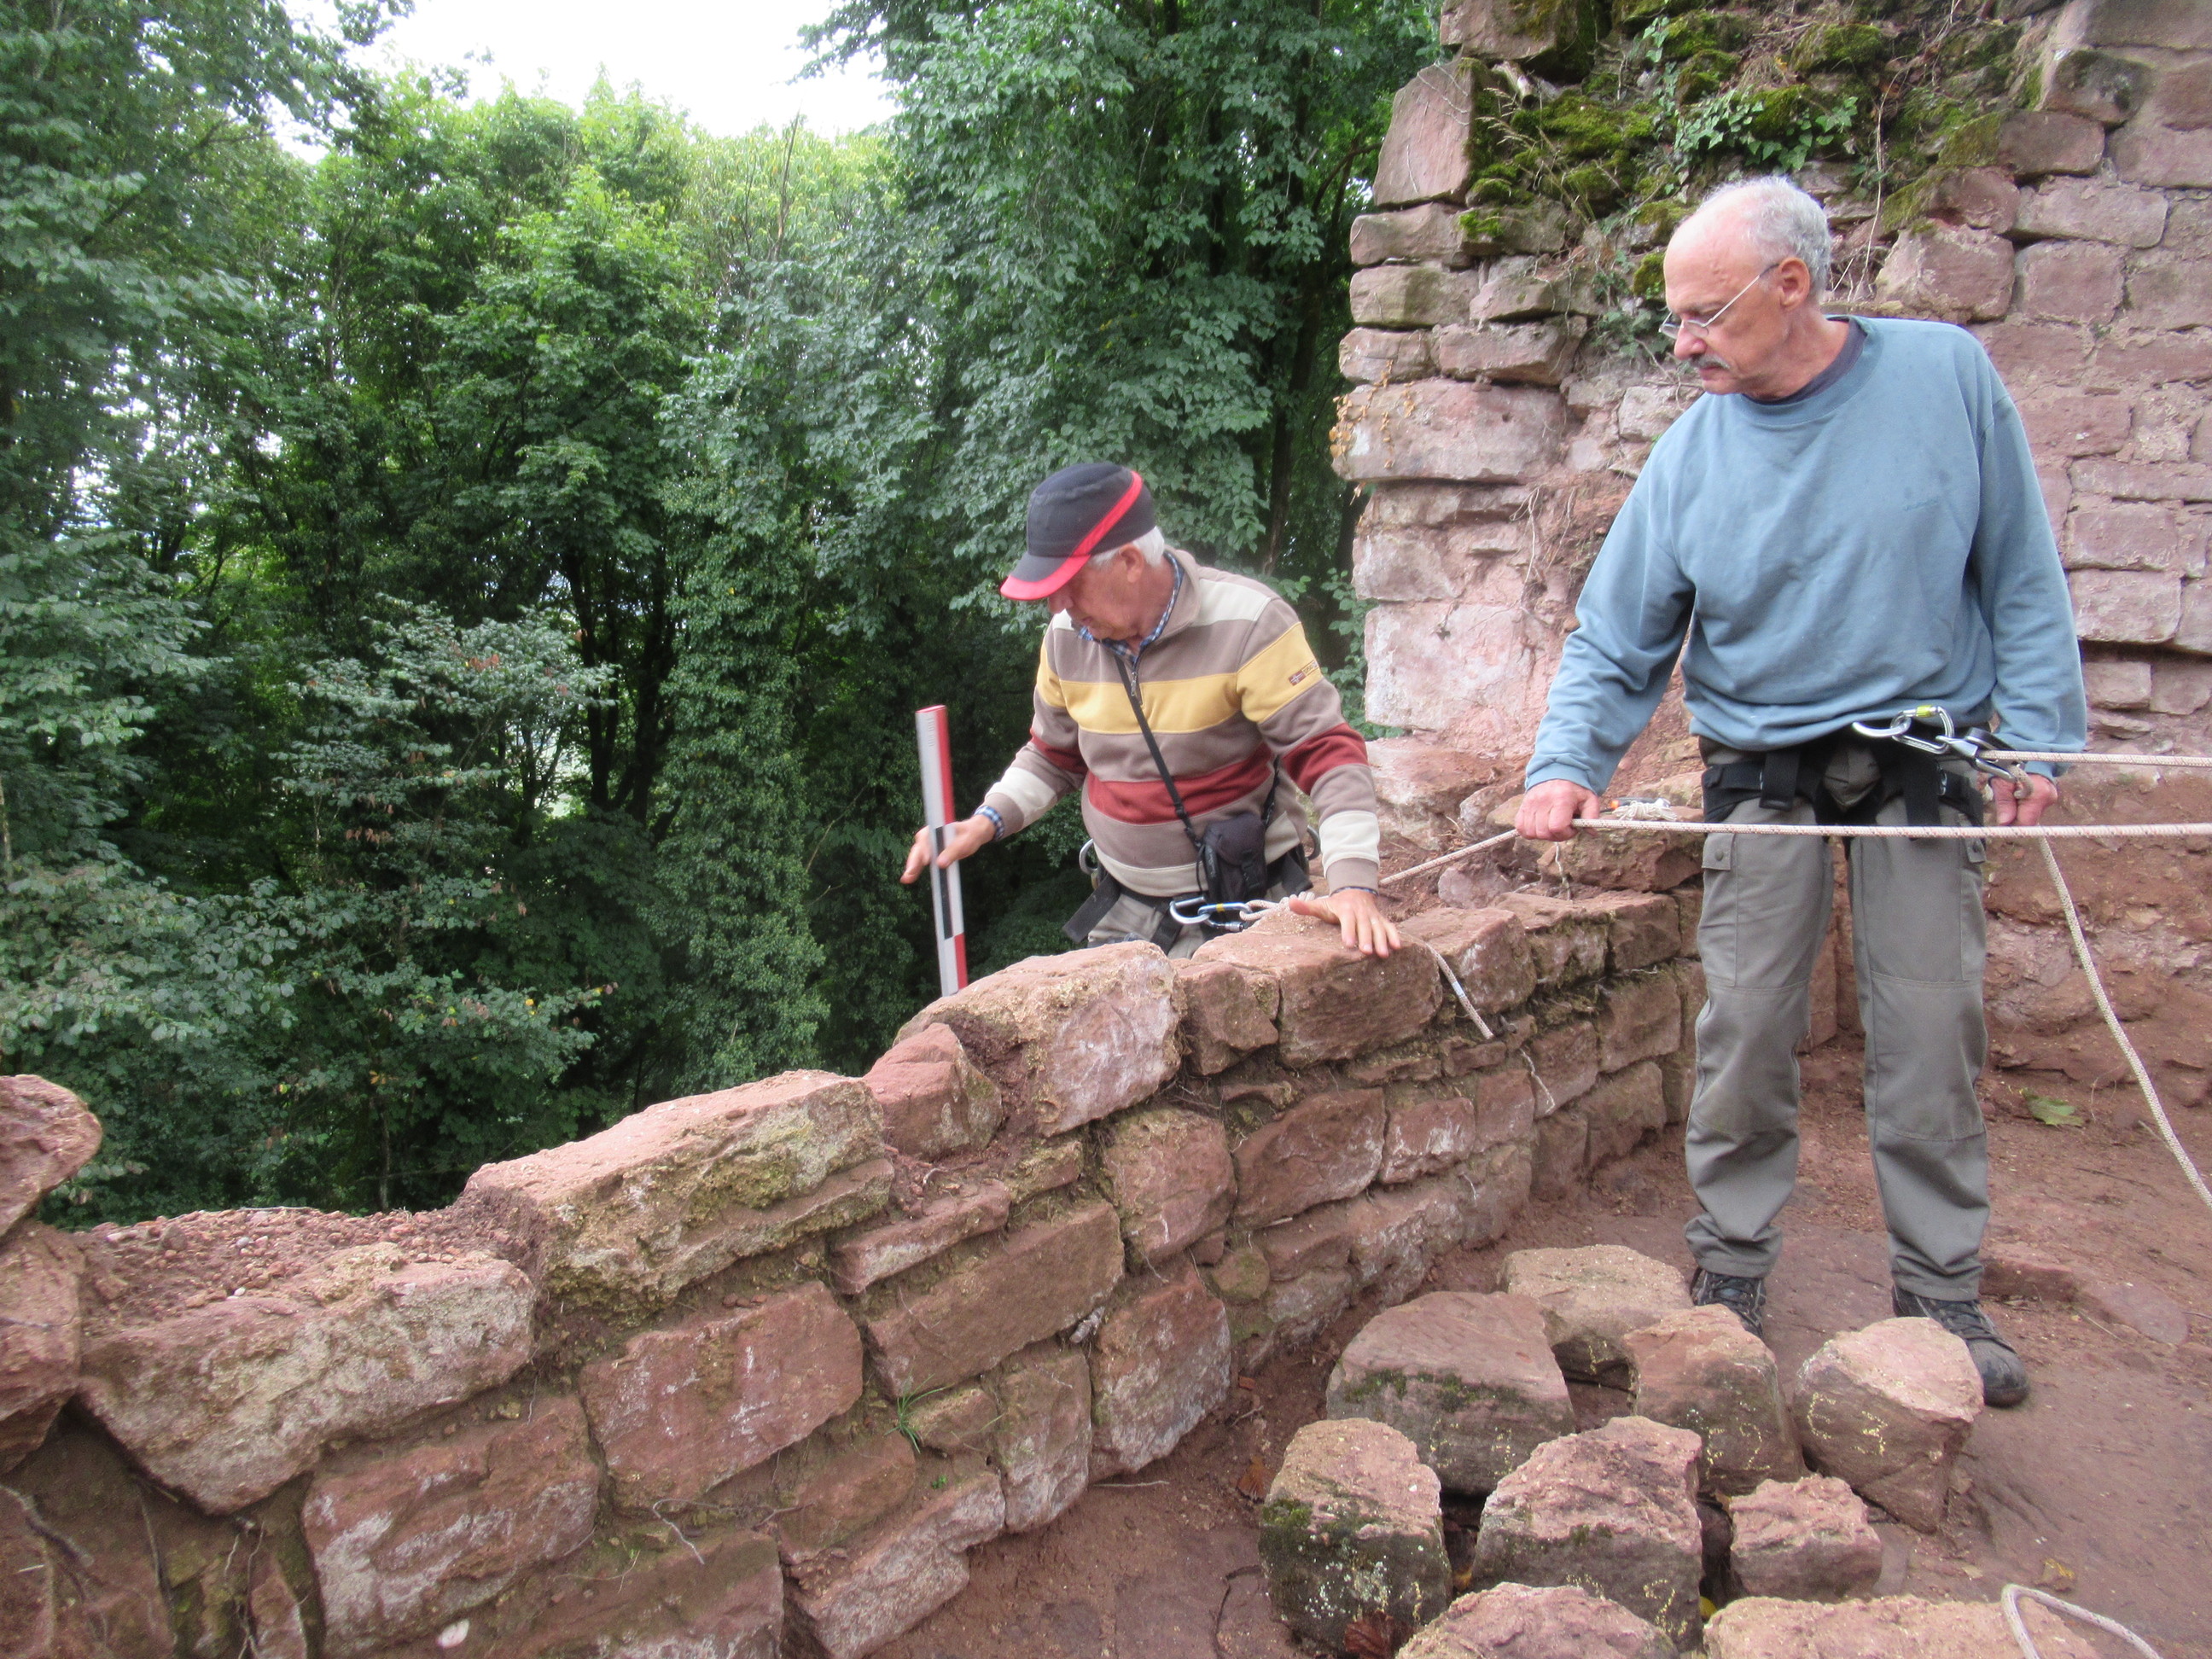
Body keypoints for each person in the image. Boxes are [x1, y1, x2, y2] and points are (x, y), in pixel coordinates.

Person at [1514, 177, 2086, 1406]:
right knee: (1745, 1029)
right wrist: (1567, 764)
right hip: (1763, 770)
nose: (1683, 345)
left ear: (1792, 285)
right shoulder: (1691, 455)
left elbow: (2020, 570)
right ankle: (1729, 1271)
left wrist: (2037, 737)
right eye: (1672, 318)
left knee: (1931, 1033)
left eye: (1704, 315)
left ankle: (1941, 1295)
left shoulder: (1946, 379)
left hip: (1923, 762)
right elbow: (1617, 636)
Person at [901, 463, 1400, 958]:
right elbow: (1052, 757)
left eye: (1070, 582)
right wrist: (983, 823)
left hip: (1247, 902)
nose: (1056, 604)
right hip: (1124, 910)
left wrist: (1352, 884)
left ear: (1129, 562)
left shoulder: (1249, 622)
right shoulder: (1065, 638)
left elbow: (1328, 753)